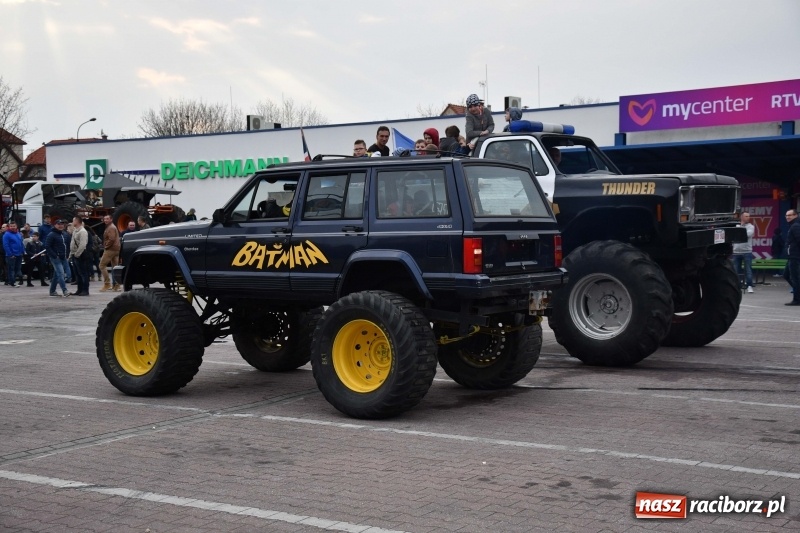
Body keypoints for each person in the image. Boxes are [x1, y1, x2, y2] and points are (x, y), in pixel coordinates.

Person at [45, 219, 71, 297]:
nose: (60, 226)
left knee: (59, 274)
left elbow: (68, 245)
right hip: (56, 258)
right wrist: (54, 256)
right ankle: (65, 290)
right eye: (58, 224)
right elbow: (47, 246)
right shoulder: (51, 235)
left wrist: (67, 254)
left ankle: (52, 291)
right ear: (55, 225)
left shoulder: (65, 234)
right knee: (61, 274)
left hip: (64, 257)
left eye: (62, 224)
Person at [732, 211, 755, 293]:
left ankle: (749, 286)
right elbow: (732, 235)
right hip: (736, 251)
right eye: (746, 216)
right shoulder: (735, 225)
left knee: (748, 269)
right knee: (735, 270)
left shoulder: (751, 226)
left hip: (747, 251)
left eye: (749, 216)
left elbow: (747, 235)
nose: (748, 217)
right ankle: (738, 285)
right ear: (741, 217)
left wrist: (737, 233)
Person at [69, 216, 91, 296]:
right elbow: (72, 243)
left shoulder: (83, 231)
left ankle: (85, 290)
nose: (72, 222)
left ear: (77, 221)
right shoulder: (75, 231)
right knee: (77, 273)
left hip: (80, 255)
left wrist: (77, 254)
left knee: (83, 273)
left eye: (73, 221)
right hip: (75, 254)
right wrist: (71, 254)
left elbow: (82, 244)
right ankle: (79, 289)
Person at [99, 214, 121, 292]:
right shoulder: (112, 226)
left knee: (102, 265)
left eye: (107, 219)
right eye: (105, 219)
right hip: (116, 249)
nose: (105, 220)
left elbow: (111, 239)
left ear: (111, 219)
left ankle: (107, 283)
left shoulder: (111, 227)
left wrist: (106, 246)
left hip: (111, 249)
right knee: (115, 267)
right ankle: (117, 285)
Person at [784, 209, 800, 306]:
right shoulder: (793, 226)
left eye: (790, 215)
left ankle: (797, 299)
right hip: (792, 256)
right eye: (786, 215)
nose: (787, 217)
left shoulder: (795, 226)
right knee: (786, 275)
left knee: (795, 278)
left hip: (795, 256)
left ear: (795, 215)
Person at [3, 221, 24, 287]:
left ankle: (12, 280)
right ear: (9, 227)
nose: (12, 227)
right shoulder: (6, 234)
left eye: (14, 226)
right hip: (11, 255)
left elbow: (21, 243)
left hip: (19, 254)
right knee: (11, 269)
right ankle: (12, 282)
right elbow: (6, 245)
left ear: (16, 226)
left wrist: (23, 251)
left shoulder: (18, 233)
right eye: (11, 226)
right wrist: (10, 254)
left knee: (17, 269)